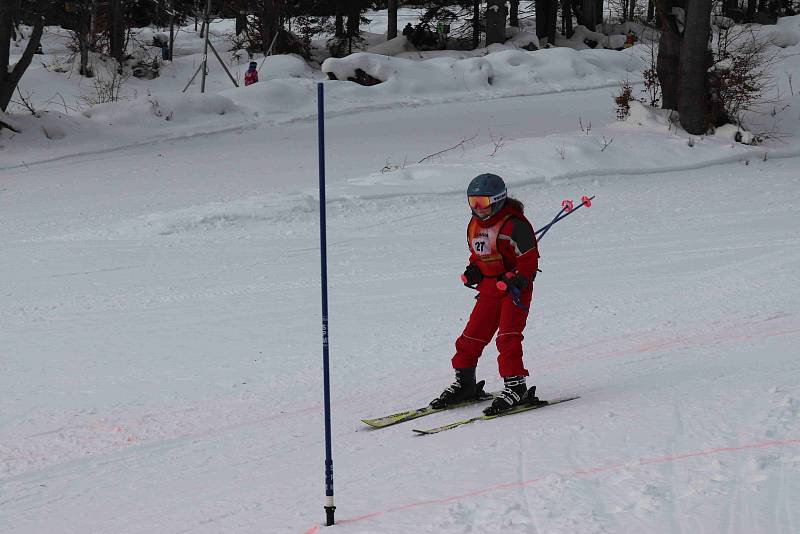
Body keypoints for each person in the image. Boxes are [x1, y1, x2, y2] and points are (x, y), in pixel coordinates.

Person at [431, 173, 540, 415]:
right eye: (473, 202)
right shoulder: (474, 225)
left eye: (483, 202)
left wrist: (519, 278)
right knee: (471, 337)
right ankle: (465, 384)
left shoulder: (516, 225)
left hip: (513, 290)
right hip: (489, 288)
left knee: (508, 337)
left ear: (498, 199)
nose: (478, 208)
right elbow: (478, 255)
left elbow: (529, 261)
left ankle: (516, 386)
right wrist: (474, 271)